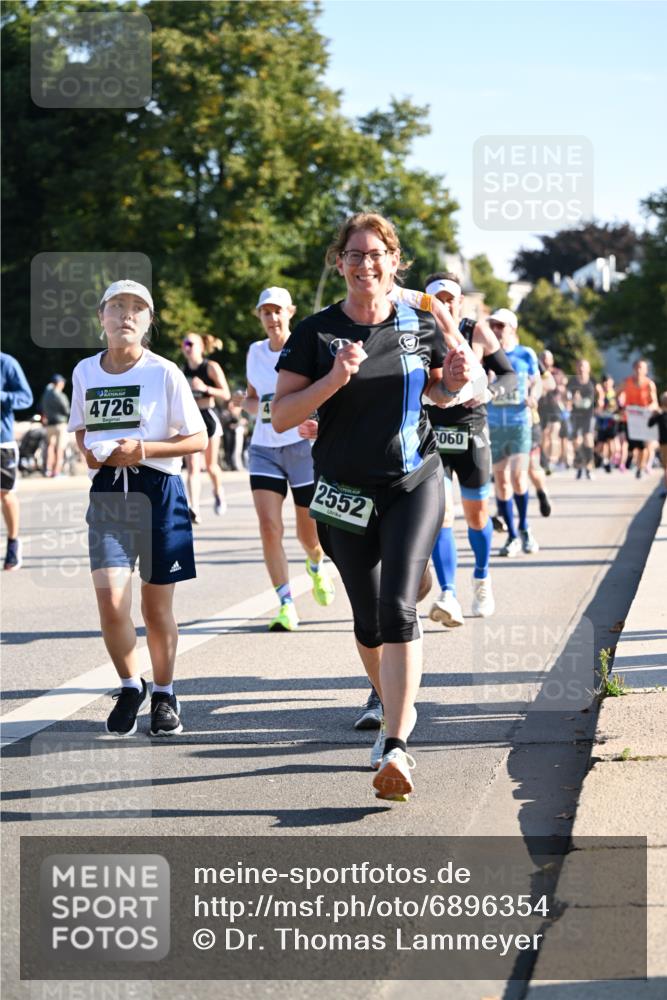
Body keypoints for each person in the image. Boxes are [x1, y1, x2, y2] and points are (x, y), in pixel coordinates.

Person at [272, 213, 471, 802]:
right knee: (368, 618)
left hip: (414, 478)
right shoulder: (315, 331)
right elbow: (281, 416)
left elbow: (437, 390)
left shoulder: (420, 321)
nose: (366, 264)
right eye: (354, 255)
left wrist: (452, 382)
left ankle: (397, 745)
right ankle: (390, 703)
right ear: (340, 263)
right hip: (342, 492)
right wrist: (333, 378)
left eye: (376, 254)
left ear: (394, 261)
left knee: (398, 607)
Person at [68, 280, 207, 737]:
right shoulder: (86, 371)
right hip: (108, 492)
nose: (126, 315)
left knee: (155, 607)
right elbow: (81, 432)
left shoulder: (165, 372)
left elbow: (198, 438)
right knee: (110, 602)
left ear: (148, 323)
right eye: (117, 307)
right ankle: (131, 685)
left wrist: (143, 448)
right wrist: (91, 452)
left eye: (137, 309)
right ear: (102, 317)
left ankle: (165, 692)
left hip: (158, 491)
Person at [415, 273, 517, 626]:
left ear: (459, 302)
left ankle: (482, 578)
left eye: (450, 299)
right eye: (436, 300)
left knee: (476, 514)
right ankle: (447, 593)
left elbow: (508, 375)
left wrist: (490, 392)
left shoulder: (476, 331)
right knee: (442, 514)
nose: (444, 305)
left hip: (471, 432)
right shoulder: (418, 333)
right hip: (433, 431)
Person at [235, 286, 335, 632]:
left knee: (308, 534)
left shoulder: (306, 346)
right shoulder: (254, 352)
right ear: (259, 316)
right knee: (268, 527)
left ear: (291, 311)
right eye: (266, 311)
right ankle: (286, 603)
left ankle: (316, 562)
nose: (272, 318)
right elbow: (251, 399)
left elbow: (325, 394)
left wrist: (317, 422)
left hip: (300, 449)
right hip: (264, 449)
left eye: (278, 310)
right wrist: (252, 408)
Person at [487, 309, 542, 557]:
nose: (496, 330)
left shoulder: (525, 354)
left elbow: (538, 381)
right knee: (501, 480)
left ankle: (525, 528)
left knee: (519, 477)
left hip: (520, 423)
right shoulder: (485, 355)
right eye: (493, 325)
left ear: (512, 328)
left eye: (501, 326)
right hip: (495, 424)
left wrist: (533, 396)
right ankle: (511, 535)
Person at [181, 333, 230, 521]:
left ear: (201, 346)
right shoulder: (181, 370)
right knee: (193, 467)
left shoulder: (210, 367)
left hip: (208, 417)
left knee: (211, 467)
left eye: (191, 343)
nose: (187, 347)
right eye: (184, 343)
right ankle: (194, 508)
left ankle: (218, 492)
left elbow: (225, 394)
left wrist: (205, 388)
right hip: (191, 419)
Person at [1, 352, 33, 570]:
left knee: (5, 494)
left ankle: (13, 543)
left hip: (2, 442)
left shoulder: (7, 363)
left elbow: (26, 397)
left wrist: (2, 396)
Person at [618, 359, 659, 478]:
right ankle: (632, 460)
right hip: (629, 419)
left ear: (646, 370)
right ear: (633, 369)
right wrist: (620, 406)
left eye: (641, 368)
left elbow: (654, 402)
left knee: (644, 446)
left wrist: (649, 408)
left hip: (643, 419)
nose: (639, 370)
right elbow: (616, 394)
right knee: (632, 446)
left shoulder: (649, 384)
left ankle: (640, 468)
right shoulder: (626, 382)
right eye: (637, 367)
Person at [569, 359, 597, 480]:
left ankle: (589, 467)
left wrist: (599, 400)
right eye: (579, 366)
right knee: (576, 441)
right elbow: (567, 396)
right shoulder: (572, 381)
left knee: (588, 438)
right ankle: (580, 464)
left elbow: (597, 396)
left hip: (588, 415)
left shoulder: (592, 382)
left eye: (584, 366)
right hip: (575, 415)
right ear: (576, 368)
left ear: (588, 369)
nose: (581, 369)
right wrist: (570, 399)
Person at [40, 374, 71, 477]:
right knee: (60, 448)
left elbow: (42, 408)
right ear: (60, 383)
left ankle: (48, 470)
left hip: (49, 425)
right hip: (59, 425)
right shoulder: (60, 395)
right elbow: (66, 410)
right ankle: (56, 471)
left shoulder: (46, 395)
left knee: (50, 447)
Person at [595, 374, 620, 473]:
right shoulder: (600, 394)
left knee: (611, 444)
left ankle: (608, 462)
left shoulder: (615, 393)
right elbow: (597, 407)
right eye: (604, 382)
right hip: (602, 422)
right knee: (600, 445)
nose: (606, 384)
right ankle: (601, 458)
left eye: (608, 381)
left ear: (612, 382)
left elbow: (618, 407)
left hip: (611, 422)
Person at [648, 392, 667, 497]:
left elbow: (650, 424)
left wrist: (653, 414)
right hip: (663, 443)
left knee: (666, 467)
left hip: (664, 443)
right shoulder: (660, 415)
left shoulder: (659, 415)